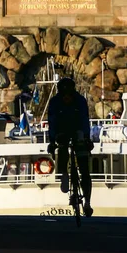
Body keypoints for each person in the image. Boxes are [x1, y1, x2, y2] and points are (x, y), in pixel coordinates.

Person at [47, 77, 94, 217]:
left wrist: (85, 137)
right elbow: (53, 121)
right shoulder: (73, 100)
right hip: (68, 131)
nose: (67, 97)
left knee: (82, 166)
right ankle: (66, 176)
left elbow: (84, 120)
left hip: (75, 131)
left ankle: (86, 201)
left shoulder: (63, 101)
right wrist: (53, 139)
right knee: (83, 168)